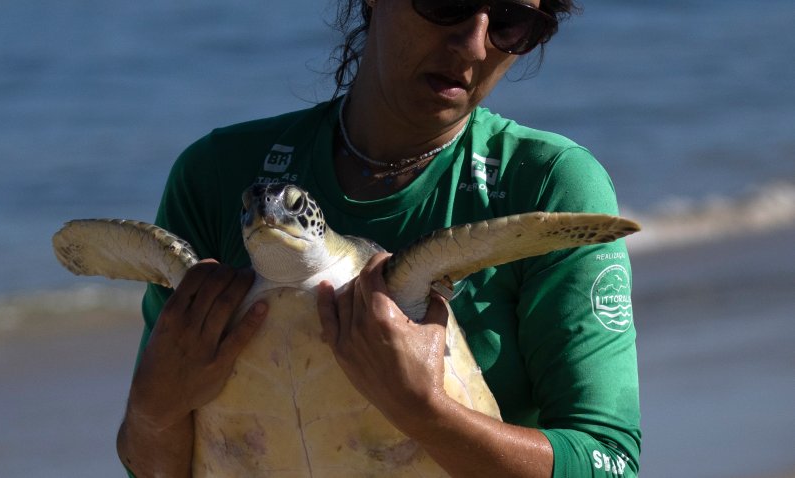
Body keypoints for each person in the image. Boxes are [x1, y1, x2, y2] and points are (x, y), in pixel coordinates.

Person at [116, 0, 641, 476]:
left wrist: (424, 411)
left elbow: (609, 461)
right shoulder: (217, 175)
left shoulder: (546, 183)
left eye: (510, 21)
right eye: (449, 4)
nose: (473, 44)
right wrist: (151, 409)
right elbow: (154, 463)